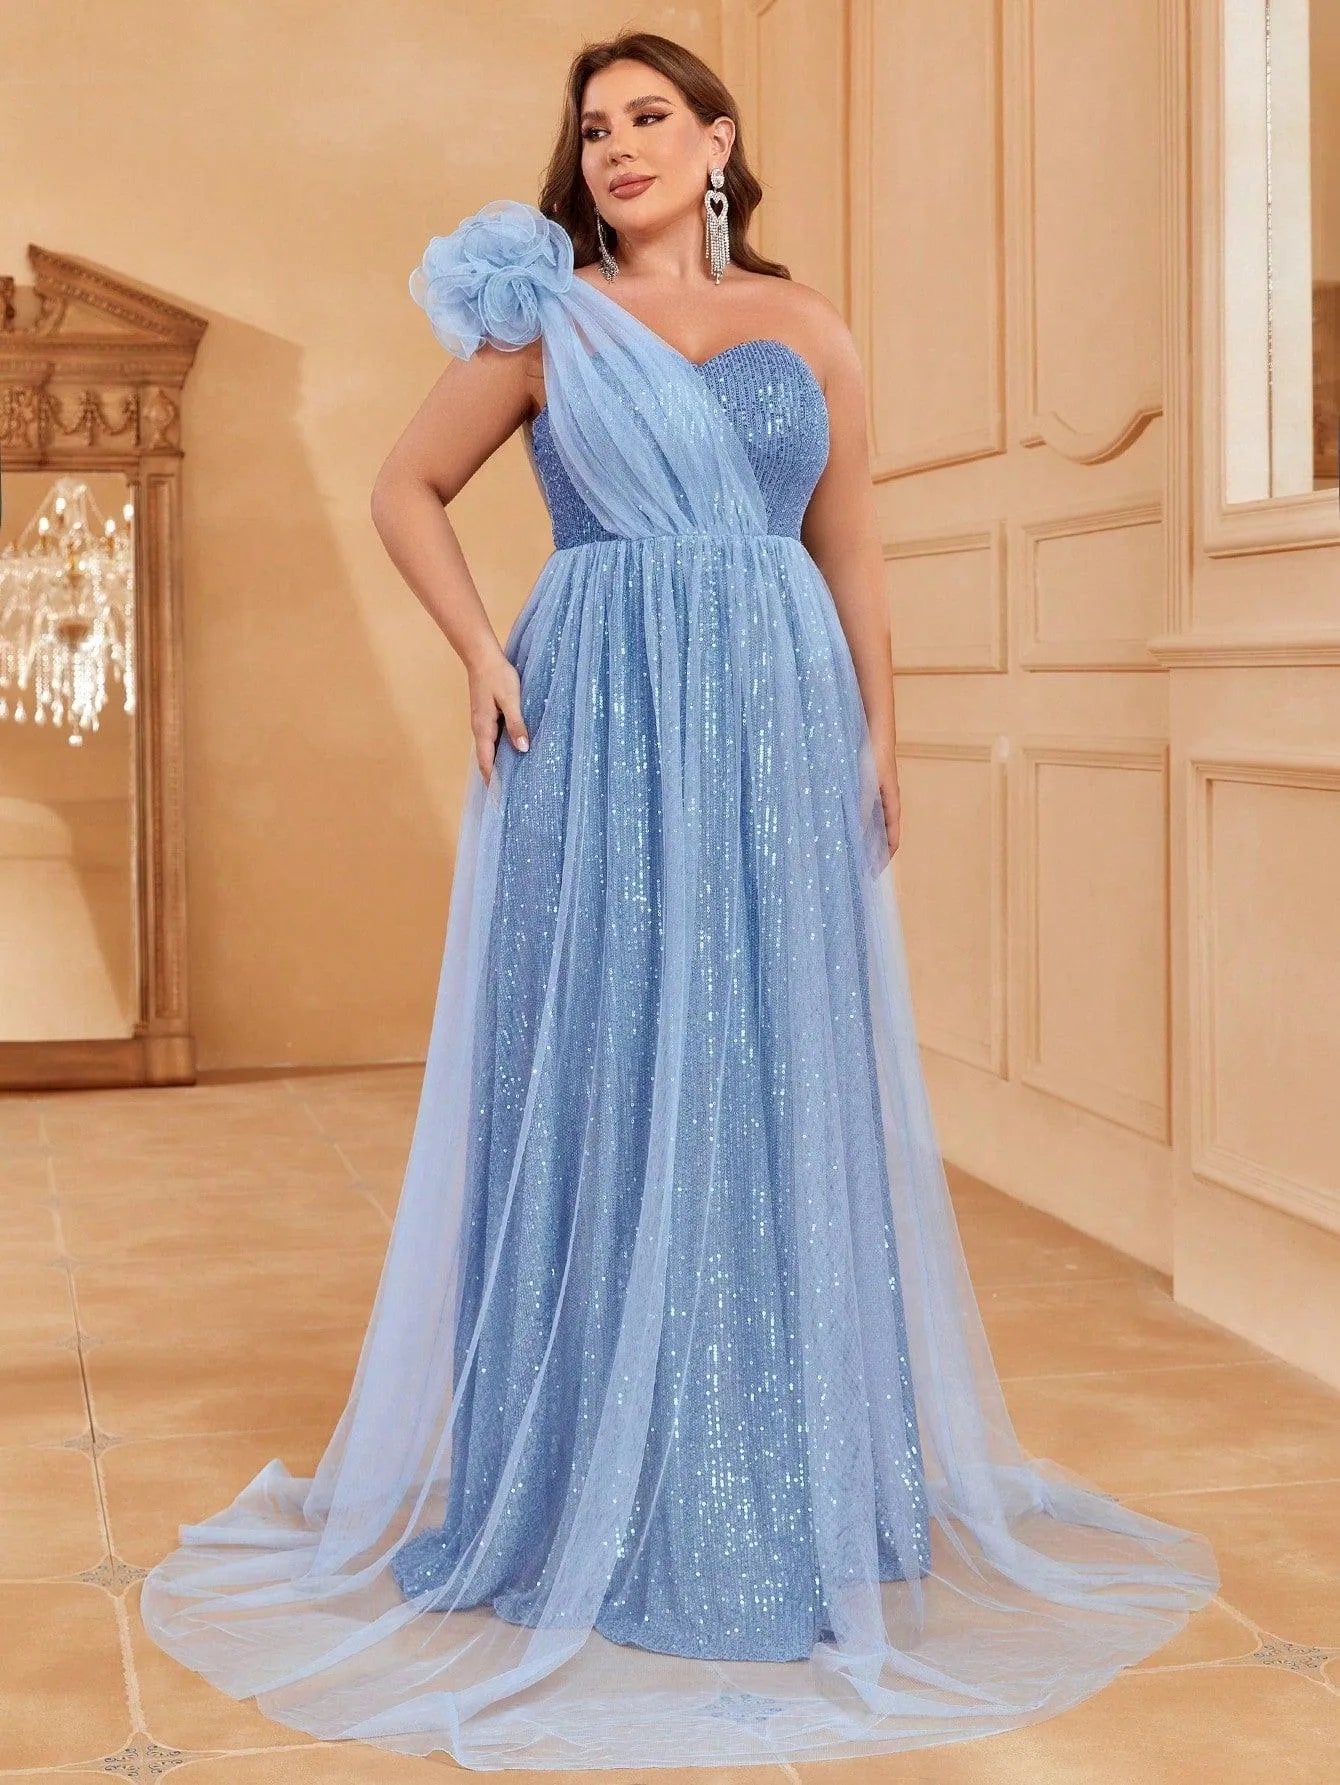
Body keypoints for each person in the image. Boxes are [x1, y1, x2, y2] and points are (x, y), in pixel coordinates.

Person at [139, 30, 1218, 1773]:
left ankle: (771, 1470)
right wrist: (484, 650)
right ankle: (594, 1471)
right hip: (597, 719)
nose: (620, 146)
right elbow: (404, 488)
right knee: (609, 1065)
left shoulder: (811, 327)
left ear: (719, 143)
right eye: (595, 128)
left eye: (651, 117)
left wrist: (883, 730)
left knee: (764, 1069)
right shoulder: (543, 319)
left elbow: (848, 548)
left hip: (775, 719)